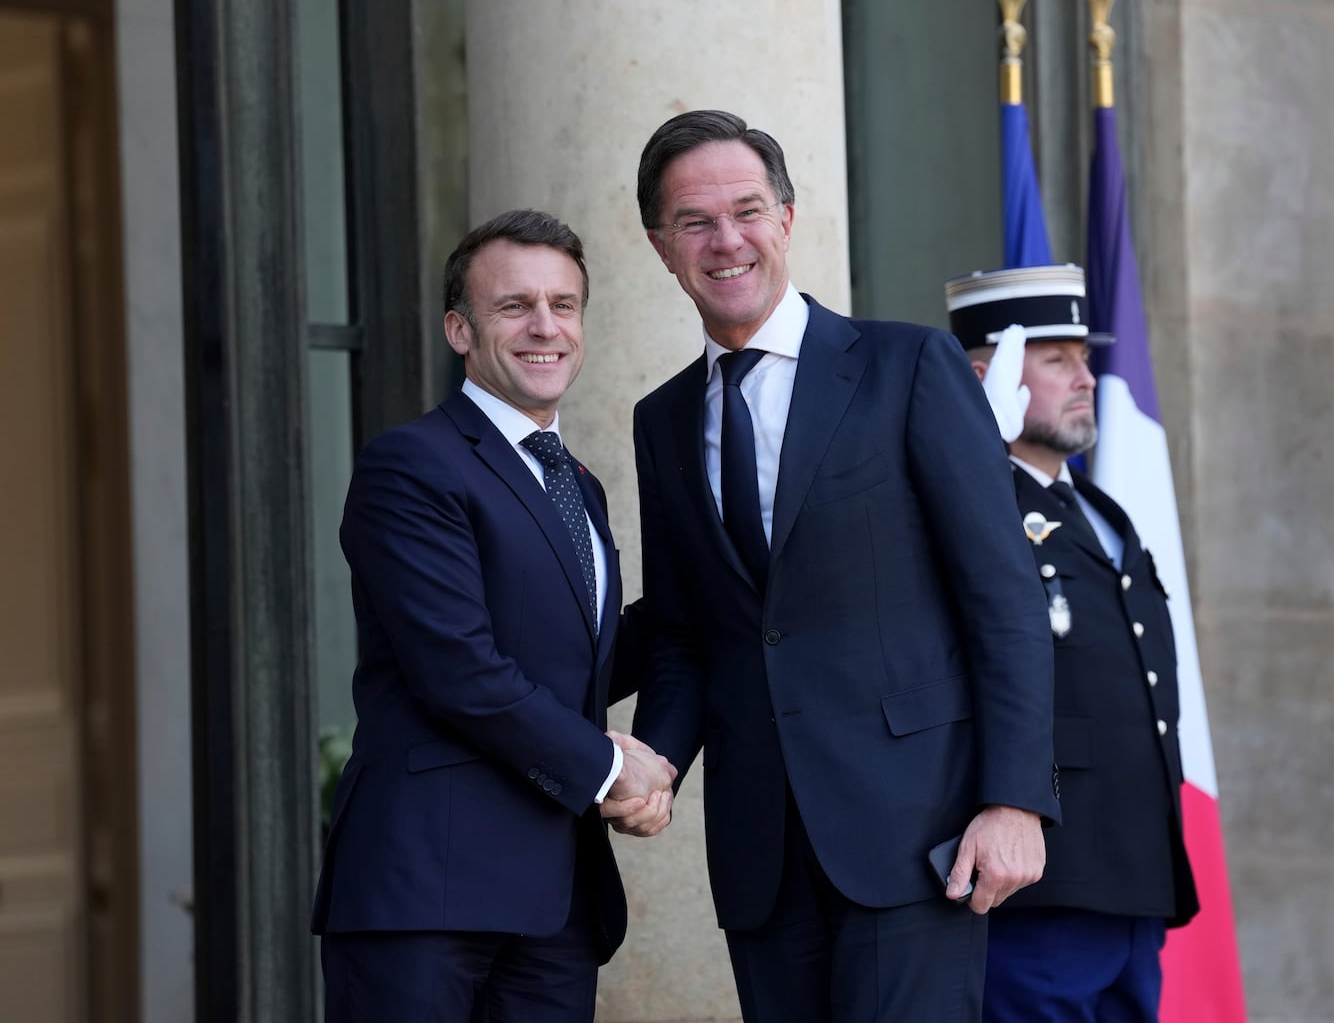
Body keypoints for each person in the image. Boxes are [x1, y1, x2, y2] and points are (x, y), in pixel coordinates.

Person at [626, 109, 1060, 1022]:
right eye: (695, 221)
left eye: (747, 209)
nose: (726, 239)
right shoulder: (660, 421)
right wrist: (658, 755)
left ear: (786, 218)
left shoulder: (909, 366)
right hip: (762, 853)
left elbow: (1003, 596)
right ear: (661, 246)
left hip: (916, 836)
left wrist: (1015, 799)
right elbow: (682, 633)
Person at [312, 209, 676, 1023]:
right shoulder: (411, 465)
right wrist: (612, 769)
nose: (544, 326)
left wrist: (721, 593)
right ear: (460, 330)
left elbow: (575, 667)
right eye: (515, 306)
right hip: (428, 894)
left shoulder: (577, 484)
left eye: (564, 304)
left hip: (555, 902)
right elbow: (460, 670)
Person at [947, 264, 1199, 1023]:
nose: (1086, 377)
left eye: (1084, 356)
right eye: (1056, 359)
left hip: (1131, 874)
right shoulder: (972, 498)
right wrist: (969, 450)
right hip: (1044, 879)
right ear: (989, 375)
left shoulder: (1097, 509)